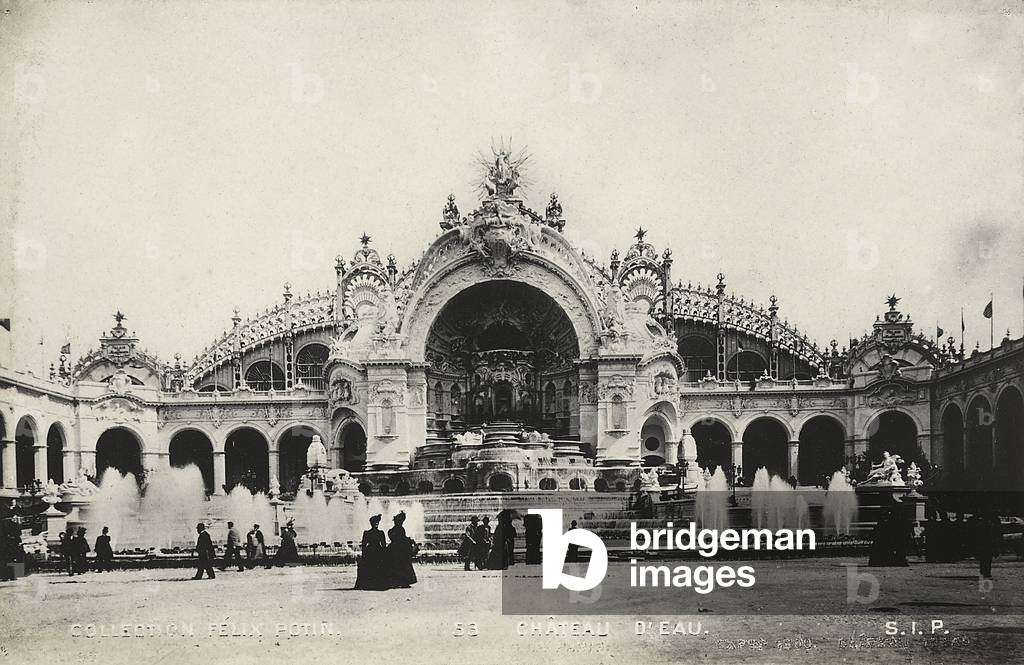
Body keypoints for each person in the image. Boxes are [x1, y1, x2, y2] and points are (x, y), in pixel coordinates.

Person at [384, 511, 417, 588]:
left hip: (394, 548)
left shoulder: (394, 530)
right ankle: (403, 581)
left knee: (396, 566)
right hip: (400, 549)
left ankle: (395, 581)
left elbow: (396, 537)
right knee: (403, 566)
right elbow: (401, 539)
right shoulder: (400, 529)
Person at [354, 514, 387, 590]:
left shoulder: (372, 533)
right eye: (374, 522)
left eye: (377, 522)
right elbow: (364, 545)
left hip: (372, 551)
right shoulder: (373, 533)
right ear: (371, 523)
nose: (376, 524)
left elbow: (383, 544)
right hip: (375, 551)